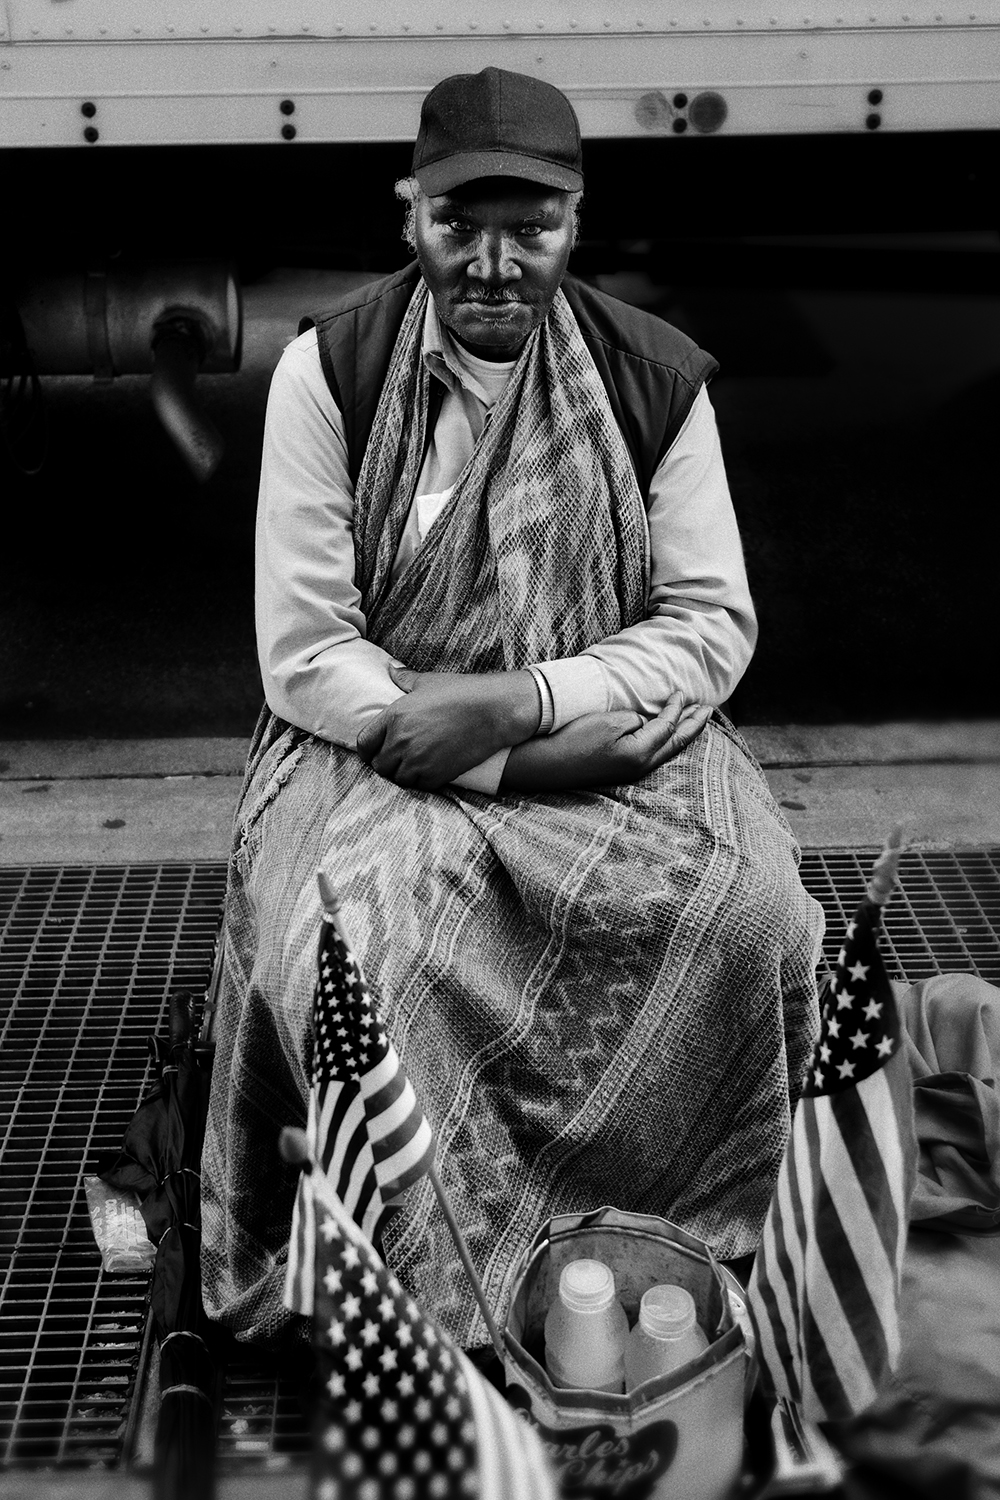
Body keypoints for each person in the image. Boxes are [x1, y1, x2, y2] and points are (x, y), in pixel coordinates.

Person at [200, 66, 824, 1350]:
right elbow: (309, 647)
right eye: (457, 225)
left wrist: (524, 702)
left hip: (601, 730)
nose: (492, 264)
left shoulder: (655, 381)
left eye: (529, 230)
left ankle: (689, 1241)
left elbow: (708, 626)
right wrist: (488, 757)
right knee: (361, 948)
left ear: (575, 224)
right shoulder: (330, 375)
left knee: (751, 911)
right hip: (382, 740)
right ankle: (419, 1299)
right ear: (407, 215)